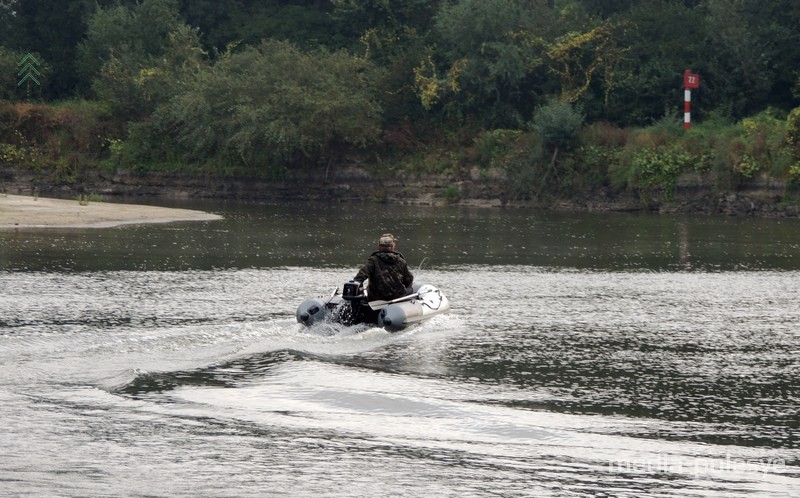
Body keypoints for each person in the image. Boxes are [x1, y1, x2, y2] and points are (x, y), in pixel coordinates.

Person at [354, 233, 414, 303]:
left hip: (375, 298)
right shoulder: (401, 261)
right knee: (411, 289)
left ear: (379, 246)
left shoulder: (373, 260)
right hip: (397, 297)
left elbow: (360, 277)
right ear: (392, 246)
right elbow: (409, 280)